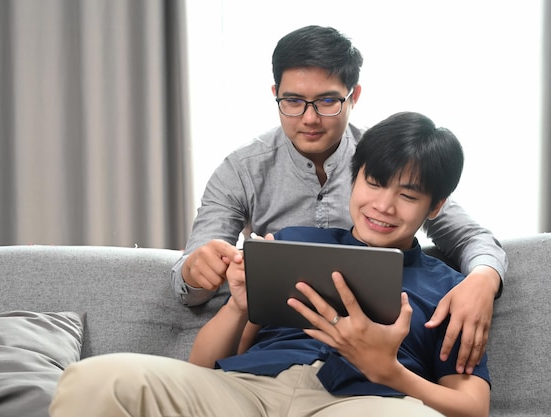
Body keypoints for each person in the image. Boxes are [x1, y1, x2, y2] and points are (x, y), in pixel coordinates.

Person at [49, 111, 490, 417]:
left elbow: (472, 407)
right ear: (354, 177)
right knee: (96, 379)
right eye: (373, 183)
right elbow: (201, 367)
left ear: (435, 207)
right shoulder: (293, 243)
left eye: (408, 196)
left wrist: (387, 369)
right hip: (248, 394)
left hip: (367, 401)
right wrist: (239, 304)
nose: (383, 206)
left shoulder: (452, 292)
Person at [172, 25, 506, 374]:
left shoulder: (383, 162)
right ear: (275, 94)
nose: (310, 118)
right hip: (276, 344)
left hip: (367, 358)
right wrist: (197, 271)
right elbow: (186, 285)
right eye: (293, 101)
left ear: (354, 96)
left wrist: (482, 279)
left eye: (328, 101)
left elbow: (469, 235)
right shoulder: (241, 170)